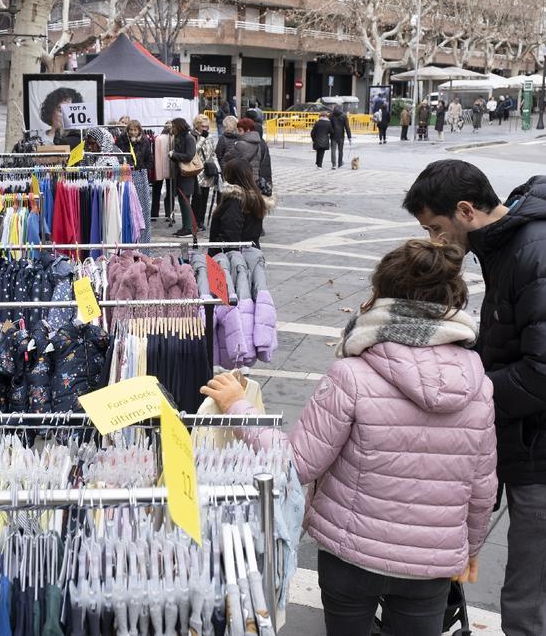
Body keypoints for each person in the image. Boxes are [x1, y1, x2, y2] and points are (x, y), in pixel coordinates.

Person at [201, 238, 497, 636]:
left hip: (351, 554)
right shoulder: (477, 384)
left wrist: (240, 406)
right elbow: (482, 487)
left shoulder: (352, 375)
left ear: (380, 297)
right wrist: (471, 550)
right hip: (432, 563)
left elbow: (296, 465)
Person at [402, 161, 546, 636]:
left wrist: (467, 394)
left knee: (533, 610)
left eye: (436, 229)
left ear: (465, 211)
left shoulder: (541, 250)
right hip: (545, 446)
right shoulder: (515, 244)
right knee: (529, 599)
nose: (436, 242)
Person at [208, 158, 270, 251]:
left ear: (231, 175)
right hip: (250, 254)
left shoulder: (235, 201)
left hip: (233, 259)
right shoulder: (254, 198)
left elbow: (230, 237)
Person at [167, 117, 199, 237]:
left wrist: (174, 154)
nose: (172, 128)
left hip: (187, 175)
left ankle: (188, 228)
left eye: (173, 126)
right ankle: (186, 227)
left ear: (179, 126)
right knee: (182, 200)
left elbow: (189, 156)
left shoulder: (189, 138)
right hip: (181, 174)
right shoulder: (179, 137)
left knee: (185, 201)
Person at [192, 114, 218, 230]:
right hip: (196, 170)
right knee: (197, 198)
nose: (205, 129)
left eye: (207, 126)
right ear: (197, 125)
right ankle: (193, 221)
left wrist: (217, 168)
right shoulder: (192, 136)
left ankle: (201, 221)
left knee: (205, 198)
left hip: (207, 171)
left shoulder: (210, 137)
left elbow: (213, 153)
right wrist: (202, 138)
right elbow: (193, 152)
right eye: (203, 126)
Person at [229, 118, 267, 188]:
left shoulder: (240, 144)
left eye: (240, 130)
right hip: (255, 179)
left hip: (242, 180)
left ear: (248, 130)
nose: (238, 133)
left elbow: (227, 158)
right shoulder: (258, 144)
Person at [329, 104, 349, 168]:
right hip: (341, 136)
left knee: (333, 150)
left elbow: (329, 126)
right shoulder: (344, 116)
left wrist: (328, 133)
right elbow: (347, 127)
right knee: (340, 150)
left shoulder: (331, 115)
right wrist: (349, 136)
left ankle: (334, 164)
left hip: (333, 135)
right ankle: (340, 163)